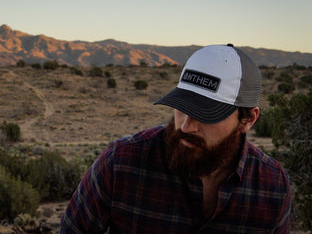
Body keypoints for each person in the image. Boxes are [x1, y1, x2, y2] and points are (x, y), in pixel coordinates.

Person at [60, 44, 291, 233]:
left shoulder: (272, 185)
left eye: (206, 114)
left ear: (248, 119)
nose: (186, 126)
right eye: (181, 107)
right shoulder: (121, 162)